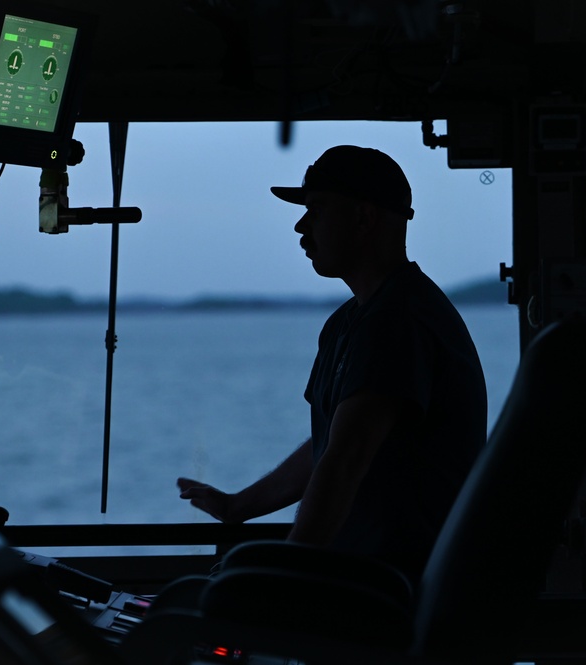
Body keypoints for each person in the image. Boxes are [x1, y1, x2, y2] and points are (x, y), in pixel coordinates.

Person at [176, 145, 487, 586]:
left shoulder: (398, 321)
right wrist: (237, 507)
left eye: (316, 210)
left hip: (397, 587)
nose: (301, 228)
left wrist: (287, 574)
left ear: (364, 219)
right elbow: (330, 444)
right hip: (365, 574)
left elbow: (345, 461)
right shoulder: (351, 321)